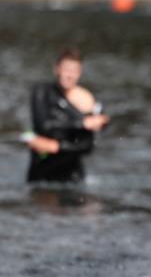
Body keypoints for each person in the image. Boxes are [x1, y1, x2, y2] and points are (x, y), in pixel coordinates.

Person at [26, 47, 110, 184]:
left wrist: (57, 146)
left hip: (73, 175)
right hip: (42, 171)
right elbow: (44, 126)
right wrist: (82, 123)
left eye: (74, 71)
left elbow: (89, 144)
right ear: (57, 69)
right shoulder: (42, 91)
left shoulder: (86, 100)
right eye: (66, 69)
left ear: (79, 73)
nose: (69, 75)